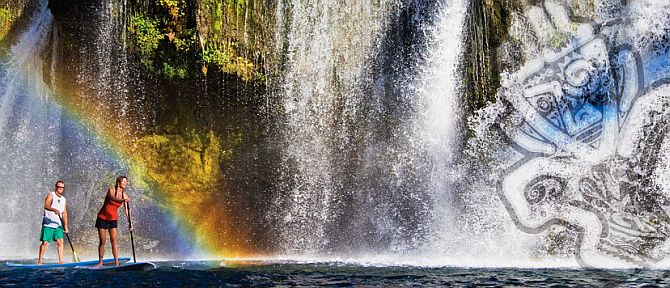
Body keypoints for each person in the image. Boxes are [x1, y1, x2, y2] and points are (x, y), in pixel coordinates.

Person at [95, 175, 131, 267]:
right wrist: (123, 200)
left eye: (126, 182)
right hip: (102, 218)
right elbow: (112, 198)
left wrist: (130, 223)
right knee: (102, 241)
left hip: (113, 219)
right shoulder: (111, 190)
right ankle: (100, 262)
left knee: (114, 241)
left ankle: (116, 262)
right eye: (124, 182)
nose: (125, 183)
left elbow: (126, 210)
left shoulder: (125, 195)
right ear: (118, 183)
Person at [37, 180, 69, 264]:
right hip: (48, 223)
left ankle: (60, 260)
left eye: (62, 187)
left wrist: (65, 226)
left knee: (60, 241)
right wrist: (54, 209)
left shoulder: (63, 199)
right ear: (56, 187)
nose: (60, 189)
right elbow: (46, 205)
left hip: (58, 224)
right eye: (59, 187)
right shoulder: (51, 195)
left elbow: (64, 213)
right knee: (45, 242)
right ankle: (39, 261)